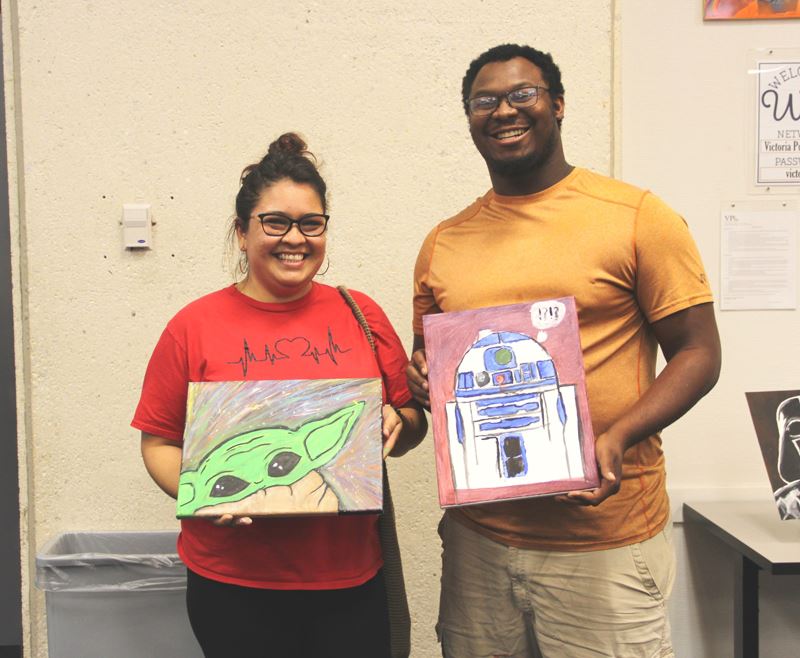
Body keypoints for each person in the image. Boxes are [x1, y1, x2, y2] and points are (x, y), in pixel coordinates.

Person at [407, 44, 721, 658]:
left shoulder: (637, 216)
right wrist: (425, 381)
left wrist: (619, 436)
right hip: (479, 542)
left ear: (558, 104)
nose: (504, 110)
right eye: (485, 101)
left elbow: (699, 353)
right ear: (469, 118)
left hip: (604, 541)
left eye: (522, 94)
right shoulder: (444, 241)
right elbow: (430, 362)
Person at [132, 132, 426, 658]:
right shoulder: (192, 327)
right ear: (242, 233)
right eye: (275, 222)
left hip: (349, 581)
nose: (295, 238)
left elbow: (411, 421)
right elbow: (158, 443)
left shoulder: (362, 314)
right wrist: (203, 494)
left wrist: (397, 423)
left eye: (311, 223)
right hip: (231, 585)